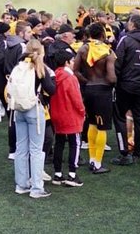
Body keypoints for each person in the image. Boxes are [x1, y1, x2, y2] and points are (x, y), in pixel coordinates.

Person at [10, 40, 55, 199]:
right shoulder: (40, 67)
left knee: (21, 148)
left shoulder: (18, 66)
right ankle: (37, 187)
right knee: (36, 150)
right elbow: (51, 89)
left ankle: (21, 184)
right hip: (34, 109)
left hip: (18, 109)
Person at [112, 14, 140, 165]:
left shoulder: (125, 40)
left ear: (132, 24)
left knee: (120, 118)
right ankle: (137, 153)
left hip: (124, 86)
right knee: (139, 119)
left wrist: (117, 82)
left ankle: (125, 153)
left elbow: (117, 63)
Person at [78, 23, 116, 174]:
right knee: (102, 127)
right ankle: (98, 163)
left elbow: (75, 70)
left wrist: (87, 81)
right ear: (102, 35)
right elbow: (112, 78)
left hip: (88, 90)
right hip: (103, 92)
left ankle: (92, 159)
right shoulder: (108, 52)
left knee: (92, 123)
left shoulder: (83, 49)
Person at [49, 46, 85, 188]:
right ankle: (72, 174)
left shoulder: (54, 76)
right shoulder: (70, 78)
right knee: (74, 144)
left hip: (57, 114)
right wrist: (82, 111)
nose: (74, 62)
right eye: (72, 60)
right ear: (67, 62)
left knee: (59, 143)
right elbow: (76, 99)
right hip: (71, 115)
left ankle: (58, 174)